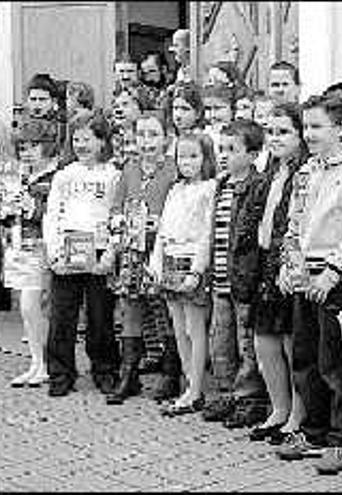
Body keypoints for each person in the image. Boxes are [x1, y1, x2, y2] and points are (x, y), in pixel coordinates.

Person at [274, 94, 342, 476]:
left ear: (341, 128)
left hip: (336, 281)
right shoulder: (306, 172)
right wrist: (290, 262)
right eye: (306, 127)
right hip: (305, 277)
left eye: (317, 127)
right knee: (306, 358)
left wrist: (332, 272)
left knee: (337, 364)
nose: (309, 134)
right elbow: (293, 225)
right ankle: (314, 432)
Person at [43, 110, 121, 397]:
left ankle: (105, 369)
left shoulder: (114, 175)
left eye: (87, 139)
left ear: (102, 141)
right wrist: (53, 255)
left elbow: (117, 216)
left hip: (99, 250)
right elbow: (51, 215)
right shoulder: (64, 176)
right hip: (67, 249)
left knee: (101, 316)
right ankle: (60, 373)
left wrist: (110, 254)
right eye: (76, 139)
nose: (81, 145)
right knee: (62, 316)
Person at [201, 120, 271, 429]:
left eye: (233, 149)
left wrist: (250, 275)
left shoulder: (257, 185)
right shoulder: (221, 185)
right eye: (221, 149)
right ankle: (227, 392)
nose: (224, 156)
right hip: (219, 278)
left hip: (242, 281)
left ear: (253, 154)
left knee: (246, 341)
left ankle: (250, 397)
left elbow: (252, 238)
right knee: (221, 339)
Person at [105, 111, 178, 405]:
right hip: (133, 249)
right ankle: (129, 374)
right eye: (141, 135)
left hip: (162, 250)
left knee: (165, 311)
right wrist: (120, 223)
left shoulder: (173, 170)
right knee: (130, 308)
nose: (146, 141)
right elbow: (115, 207)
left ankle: (171, 374)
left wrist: (159, 223)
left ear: (166, 138)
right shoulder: (130, 169)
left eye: (153, 135)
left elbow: (180, 209)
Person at [250, 102, 309, 453]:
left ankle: (297, 416)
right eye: (271, 131)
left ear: (300, 135)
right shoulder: (271, 170)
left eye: (284, 131)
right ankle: (279, 408)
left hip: (289, 261)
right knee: (264, 341)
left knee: (291, 342)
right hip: (264, 261)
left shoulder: (304, 172)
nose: (275, 138)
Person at [149, 132, 217, 415]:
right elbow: (163, 229)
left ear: (205, 158)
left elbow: (206, 234)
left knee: (194, 327)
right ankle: (189, 384)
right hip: (170, 260)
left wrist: (198, 270)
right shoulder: (175, 189)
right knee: (178, 328)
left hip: (191, 262)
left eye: (193, 156)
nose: (186, 162)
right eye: (181, 156)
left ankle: (197, 387)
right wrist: (156, 263)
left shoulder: (210, 188)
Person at [3, 118, 60, 388]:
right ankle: (36, 362)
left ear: (46, 146)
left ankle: (46, 363)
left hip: (41, 247)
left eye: (33, 146)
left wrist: (31, 208)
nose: (27, 152)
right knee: (27, 310)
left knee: (32, 305)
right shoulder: (19, 175)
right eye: (22, 147)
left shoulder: (55, 176)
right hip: (17, 245)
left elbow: (55, 215)